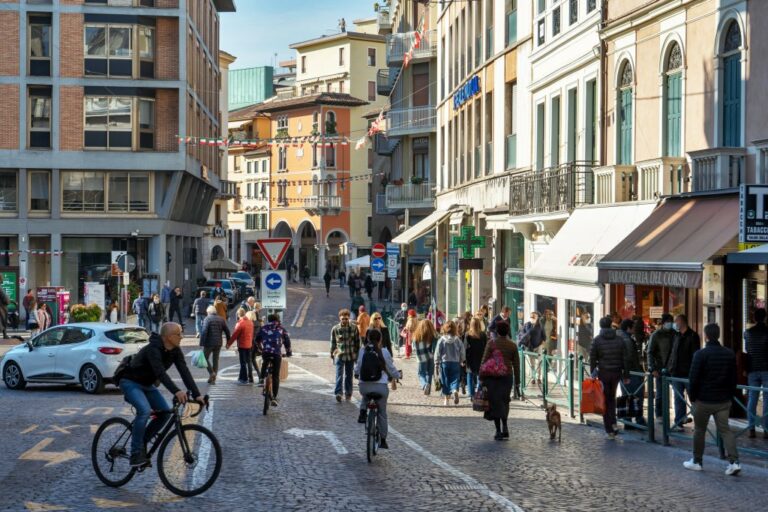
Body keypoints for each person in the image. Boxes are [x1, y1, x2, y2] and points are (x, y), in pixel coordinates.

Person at [118, 322, 202, 467]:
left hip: (147, 385)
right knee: (144, 411)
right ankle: (135, 453)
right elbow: (160, 373)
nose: (182, 337)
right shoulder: (153, 349)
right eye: (179, 334)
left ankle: (143, 441)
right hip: (130, 382)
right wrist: (176, 391)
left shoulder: (175, 350)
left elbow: (184, 371)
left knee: (165, 413)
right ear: (169, 337)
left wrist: (197, 394)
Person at [684, 323, 741, 476]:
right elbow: (733, 378)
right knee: (725, 430)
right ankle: (734, 462)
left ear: (706, 336)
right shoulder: (729, 354)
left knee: (699, 431)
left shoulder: (700, 355)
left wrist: (693, 398)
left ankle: (697, 461)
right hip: (723, 400)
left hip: (704, 399)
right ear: (719, 335)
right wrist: (729, 395)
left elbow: (693, 379)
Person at [354, 329, 400, 449]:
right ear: (380, 339)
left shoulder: (362, 350)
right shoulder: (384, 352)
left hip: (364, 387)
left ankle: (363, 411)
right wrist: (397, 376)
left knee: (365, 395)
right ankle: (383, 440)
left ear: (367, 338)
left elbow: (358, 367)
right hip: (381, 388)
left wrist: (356, 374)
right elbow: (391, 368)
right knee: (382, 413)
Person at [590, 316, 629, 439]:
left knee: (605, 400)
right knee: (611, 398)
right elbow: (625, 358)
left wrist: (593, 371)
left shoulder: (597, 340)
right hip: (616, 372)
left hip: (604, 373)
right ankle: (614, 423)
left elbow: (592, 358)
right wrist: (626, 374)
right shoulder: (619, 339)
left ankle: (610, 429)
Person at [480, 321, 520, 440]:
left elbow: (484, 361)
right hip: (507, 377)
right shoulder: (513, 345)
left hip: (493, 377)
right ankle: (505, 426)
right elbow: (516, 365)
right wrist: (517, 382)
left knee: (495, 403)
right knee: (504, 402)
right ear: (507, 331)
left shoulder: (491, 343)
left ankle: (498, 431)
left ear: (496, 331)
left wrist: (481, 378)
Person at [668, 314, 700, 430]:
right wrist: (670, 368)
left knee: (694, 398)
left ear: (682, 322)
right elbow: (673, 353)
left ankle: (699, 422)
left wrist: (694, 372)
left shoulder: (693, 336)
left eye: (676, 321)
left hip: (688, 373)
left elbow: (695, 355)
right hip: (676, 372)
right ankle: (679, 421)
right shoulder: (676, 335)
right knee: (678, 398)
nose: (675, 324)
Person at [256, 313, 292, 405]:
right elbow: (287, 341)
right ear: (277, 320)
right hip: (276, 353)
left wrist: (260, 348)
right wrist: (288, 352)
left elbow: (257, 339)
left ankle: (261, 379)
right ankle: (274, 398)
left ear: (269, 319)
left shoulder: (263, 328)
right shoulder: (281, 329)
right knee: (276, 375)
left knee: (265, 362)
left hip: (266, 352)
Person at [744, 308, 768, 439]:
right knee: (767, 400)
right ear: (765, 317)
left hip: (752, 369)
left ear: (754, 318)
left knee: (752, 399)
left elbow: (748, 350)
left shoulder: (747, 333)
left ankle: (751, 428)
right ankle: (766, 429)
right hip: (766, 369)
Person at [647, 313, 676, 418]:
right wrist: (652, 368)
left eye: (671, 322)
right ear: (663, 323)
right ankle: (659, 414)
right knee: (660, 393)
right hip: (660, 367)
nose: (670, 324)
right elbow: (649, 352)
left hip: (673, 368)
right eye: (668, 322)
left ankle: (679, 417)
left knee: (677, 392)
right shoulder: (656, 335)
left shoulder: (675, 333)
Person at [619, 318, 646, 426]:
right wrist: (638, 371)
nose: (634, 329)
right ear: (628, 328)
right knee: (635, 395)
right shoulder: (627, 340)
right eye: (633, 327)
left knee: (626, 395)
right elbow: (630, 358)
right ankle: (637, 421)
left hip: (624, 372)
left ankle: (627, 421)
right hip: (631, 372)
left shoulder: (619, 336)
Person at [330, 308, 360, 402]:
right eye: (343, 319)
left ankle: (348, 393)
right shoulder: (335, 329)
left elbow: (357, 342)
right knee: (339, 375)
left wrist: (356, 353)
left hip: (350, 355)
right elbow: (333, 342)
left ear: (348, 318)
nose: (344, 320)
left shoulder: (354, 328)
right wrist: (332, 354)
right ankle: (338, 393)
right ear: (340, 318)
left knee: (349, 375)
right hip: (340, 355)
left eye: (346, 319)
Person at [434, 320, 465, 406]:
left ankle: (446, 400)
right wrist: (462, 360)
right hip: (455, 363)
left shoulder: (441, 340)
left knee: (445, 380)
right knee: (455, 378)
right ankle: (455, 390)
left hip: (444, 363)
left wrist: (436, 363)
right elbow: (462, 351)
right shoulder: (457, 340)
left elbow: (437, 352)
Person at [199, 305, 230, 384]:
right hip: (218, 343)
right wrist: (228, 342)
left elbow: (204, 331)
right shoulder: (221, 319)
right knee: (215, 360)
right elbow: (227, 331)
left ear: (208, 312)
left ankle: (211, 373)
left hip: (209, 343)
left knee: (205, 358)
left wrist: (202, 343)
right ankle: (213, 378)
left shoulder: (207, 319)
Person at [226, 307, 254, 385]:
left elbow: (235, 335)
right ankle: (247, 377)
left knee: (243, 362)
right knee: (248, 361)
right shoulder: (250, 322)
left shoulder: (240, 323)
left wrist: (228, 344)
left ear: (238, 314)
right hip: (249, 344)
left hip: (242, 345)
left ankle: (244, 378)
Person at [464, 317, 488, 399]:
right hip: (481, 357)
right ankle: (479, 392)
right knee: (479, 376)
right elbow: (486, 347)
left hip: (470, 357)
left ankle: (471, 394)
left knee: (470, 375)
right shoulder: (483, 334)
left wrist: (464, 359)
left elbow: (465, 347)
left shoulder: (468, 334)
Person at [413, 319, 437, 394]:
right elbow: (435, 347)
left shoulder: (416, 336)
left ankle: (424, 385)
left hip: (421, 358)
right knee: (429, 373)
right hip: (431, 357)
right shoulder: (432, 335)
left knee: (421, 374)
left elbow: (414, 348)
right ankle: (428, 389)